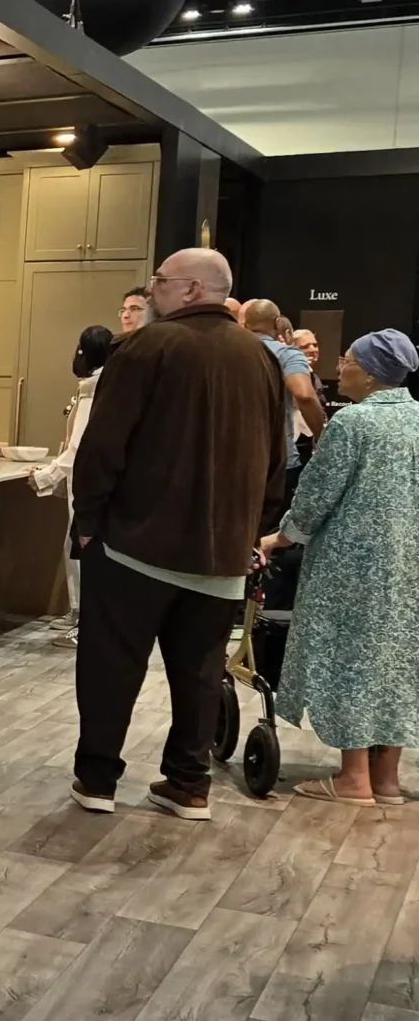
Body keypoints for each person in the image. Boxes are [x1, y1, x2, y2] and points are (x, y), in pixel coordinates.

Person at [69, 247, 285, 818]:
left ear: (191, 289)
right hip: (223, 551)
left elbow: (102, 447)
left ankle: (97, 781)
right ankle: (189, 784)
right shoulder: (261, 358)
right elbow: (274, 457)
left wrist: (87, 522)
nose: (151, 290)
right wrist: (252, 530)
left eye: (159, 280)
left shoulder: (143, 347)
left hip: (134, 545)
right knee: (201, 673)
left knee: (111, 667)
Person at [259, 329, 419, 804]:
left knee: (351, 659)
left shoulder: (353, 423)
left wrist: (279, 537)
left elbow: (316, 494)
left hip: (352, 567)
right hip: (407, 565)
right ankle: (385, 779)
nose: (337, 367)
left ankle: (353, 778)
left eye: (347, 359)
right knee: (395, 660)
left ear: (369, 374)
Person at [33, 324, 113, 633]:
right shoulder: (105, 383)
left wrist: (46, 476)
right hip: (98, 482)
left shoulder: (91, 389)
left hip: (84, 483)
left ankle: (80, 615)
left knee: (78, 544)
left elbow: (78, 447)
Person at [242, 297, 326, 520]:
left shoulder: (224, 351)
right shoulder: (286, 353)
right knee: (271, 528)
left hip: (229, 458)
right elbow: (304, 395)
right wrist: (323, 435)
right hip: (276, 460)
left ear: (246, 324)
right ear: (277, 322)